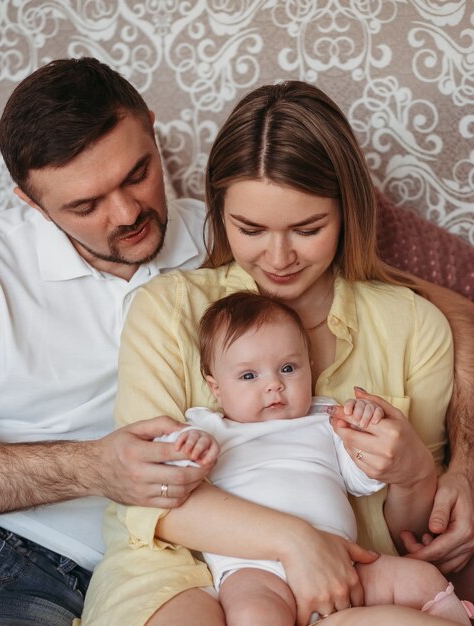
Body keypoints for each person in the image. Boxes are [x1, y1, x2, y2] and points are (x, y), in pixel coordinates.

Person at [80, 80, 474, 626]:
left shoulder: (411, 323)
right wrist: (294, 541)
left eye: (308, 228)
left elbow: (411, 532)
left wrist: (412, 474)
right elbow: (149, 492)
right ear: (219, 212)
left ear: (348, 210)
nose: (280, 256)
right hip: (179, 564)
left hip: (355, 578)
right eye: (250, 228)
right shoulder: (169, 310)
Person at [0, 57, 215, 625]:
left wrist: (459, 465)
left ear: (152, 125)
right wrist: (91, 468)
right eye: (85, 206)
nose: (127, 214)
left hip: (73, 576)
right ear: (31, 202)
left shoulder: (234, 238)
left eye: (137, 173)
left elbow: (437, 305)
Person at [164, 290, 473, 625]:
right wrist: (190, 450)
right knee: (255, 616)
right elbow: (169, 481)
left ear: (309, 368)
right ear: (216, 387)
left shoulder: (324, 419)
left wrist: (367, 427)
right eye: (249, 376)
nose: (274, 386)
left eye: (287, 368)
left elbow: (362, 480)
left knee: (424, 578)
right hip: (255, 567)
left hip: (341, 561)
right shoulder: (208, 427)